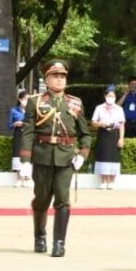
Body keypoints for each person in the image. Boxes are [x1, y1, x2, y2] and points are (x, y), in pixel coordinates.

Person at [18, 60, 92, 257]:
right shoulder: (36, 102)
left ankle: (59, 243)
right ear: (47, 79)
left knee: (62, 199)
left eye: (62, 76)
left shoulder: (75, 103)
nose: (59, 80)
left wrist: (82, 155)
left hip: (66, 157)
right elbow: (27, 132)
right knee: (42, 199)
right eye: (55, 76)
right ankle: (40, 236)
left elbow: (85, 133)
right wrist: (24, 160)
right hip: (42, 156)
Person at [91, 86, 126, 189]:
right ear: (105, 96)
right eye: (109, 95)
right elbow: (93, 122)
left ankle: (111, 181)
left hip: (115, 133)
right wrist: (99, 124)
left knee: (113, 157)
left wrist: (121, 138)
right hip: (103, 133)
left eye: (113, 96)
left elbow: (122, 124)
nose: (111, 97)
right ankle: (103, 181)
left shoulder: (119, 109)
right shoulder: (99, 108)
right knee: (103, 156)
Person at [9, 90, 29, 188]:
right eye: (25, 99)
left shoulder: (31, 111)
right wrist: (15, 124)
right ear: (20, 99)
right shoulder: (14, 110)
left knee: (27, 155)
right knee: (17, 156)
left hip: (28, 135)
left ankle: (26, 178)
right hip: (18, 134)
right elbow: (9, 125)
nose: (27, 101)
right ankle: (19, 179)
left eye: (28, 99)